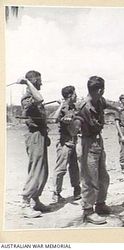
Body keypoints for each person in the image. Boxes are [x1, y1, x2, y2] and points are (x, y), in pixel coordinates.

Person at [72, 76, 118, 224]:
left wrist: (117, 108)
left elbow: (107, 104)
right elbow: (75, 127)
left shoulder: (99, 101)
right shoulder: (82, 107)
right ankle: (87, 211)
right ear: (100, 90)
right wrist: (73, 124)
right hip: (87, 143)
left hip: (98, 141)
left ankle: (100, 204)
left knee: (103, 177)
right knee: (89, 178)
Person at [19, 70, 50, 218]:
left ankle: (35, 199)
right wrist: (28, 83)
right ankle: (25, 203)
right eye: (39, 81)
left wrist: (47, 134)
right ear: (33, 82)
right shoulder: (27, 97)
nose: (41, 83)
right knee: (36, 170)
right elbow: (39, 98)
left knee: (43, 171)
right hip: (34, 136)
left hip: (41, 135)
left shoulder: (33, 95)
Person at [50, 86, 81, 203]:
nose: (76, 96)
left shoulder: (74, 107)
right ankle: (56, 193)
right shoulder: (62, 107)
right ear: (69, 96)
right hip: (64, 142)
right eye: (75, 94)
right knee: (61, 169)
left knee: (74, 168)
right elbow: (53, 119)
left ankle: (77, 190)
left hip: (74, 141)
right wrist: (61, 106)